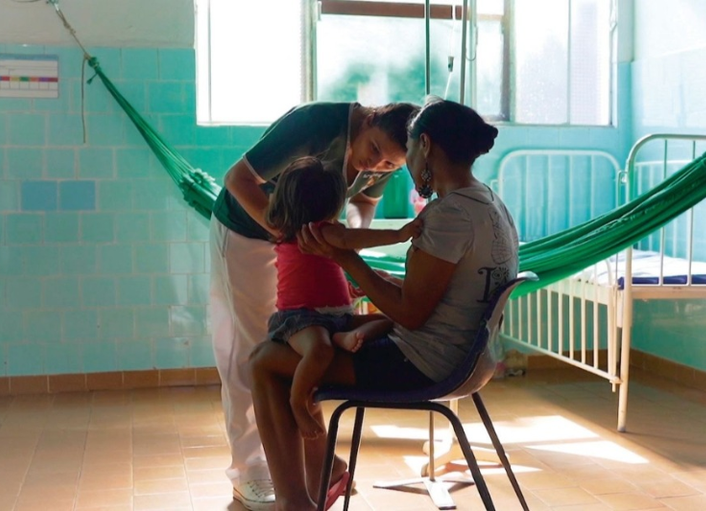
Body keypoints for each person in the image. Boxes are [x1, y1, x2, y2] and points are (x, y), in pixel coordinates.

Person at [249, 97, 520, 511]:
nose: (403, 166)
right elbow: (442, 290)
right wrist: (377, 279)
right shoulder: (488, 201)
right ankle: (324, 472)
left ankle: (295, 502)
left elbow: (411, 313)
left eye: (406, 153)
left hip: (426, 363)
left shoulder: (450, 215)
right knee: (289, 359)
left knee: (265, 362)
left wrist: (345, 258)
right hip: (472, 357)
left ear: (425, 146)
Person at [209, 100, 419, 510]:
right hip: (247, 232)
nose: (376, 166)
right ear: (369, 119)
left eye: (390, 165)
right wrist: (286, 233)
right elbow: (237, 179)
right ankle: (249, 472)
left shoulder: (384, 155)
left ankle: (318, 466)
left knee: (295, 358)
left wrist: (339, 245)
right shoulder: (314, 124)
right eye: (374, 151)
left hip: (305, 247)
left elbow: (362, 205)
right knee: (249, 350)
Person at [264, 156, 422, 440]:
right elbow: (352, 241)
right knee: (319, 350)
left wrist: (347, 291)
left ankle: (343, 338)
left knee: (388, 320)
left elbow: (321, 272)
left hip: (336, 318)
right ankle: (298, 400)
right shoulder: (321, 231)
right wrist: (399, 235)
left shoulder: (304, 231)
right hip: (300, 320)